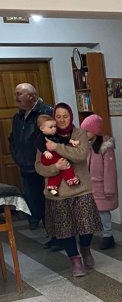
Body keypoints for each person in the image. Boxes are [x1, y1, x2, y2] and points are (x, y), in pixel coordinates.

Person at [34, 103, 102, 277]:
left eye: (65, 116)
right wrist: (55, 167)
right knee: (65, 229)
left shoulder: (79, 133)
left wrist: (57, 147)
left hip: (81, 189)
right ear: (53, 118)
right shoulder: (45, 137)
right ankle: (75, 260)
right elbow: (39, 166)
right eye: (58, 116)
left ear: (71, 116)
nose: (62, 120)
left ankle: (85, 249)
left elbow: (80, 155)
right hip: (57, 193)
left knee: (87, 226)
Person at [8, 82, 52, 230]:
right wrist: (17, 156)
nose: (16, 97)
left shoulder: (46, 112)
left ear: (32, 96)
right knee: (32, 199)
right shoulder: (18, 117)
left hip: (43, 165)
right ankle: (40, 225)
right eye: (15, 94)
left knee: (48, 200)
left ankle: (54, 233)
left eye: (19, 94)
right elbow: (13, 139)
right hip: (25, 166)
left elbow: (51, 139)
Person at [80, 114, 119, 250]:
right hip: (88, 186)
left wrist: (109, 189)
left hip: (101, 186)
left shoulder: (105, 147)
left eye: (87, 131)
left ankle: (108, 235)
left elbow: (109, 170)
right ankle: (93, 234)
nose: (85, 134)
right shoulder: (86, 146)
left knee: (103, 212)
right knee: (90, 211)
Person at [34, 115, 80, 195]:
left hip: (55, 156)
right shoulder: (41, 137)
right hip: (49, 157)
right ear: (42, 128)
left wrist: (71, 141)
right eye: (51, 127)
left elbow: (63, 139)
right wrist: (45, 152)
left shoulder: (55, 135)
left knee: (57, 172)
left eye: (55, 126)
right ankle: (70, 178)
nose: (54, 129)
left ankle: (52, 187)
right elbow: (38, 144)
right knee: (65, 164)